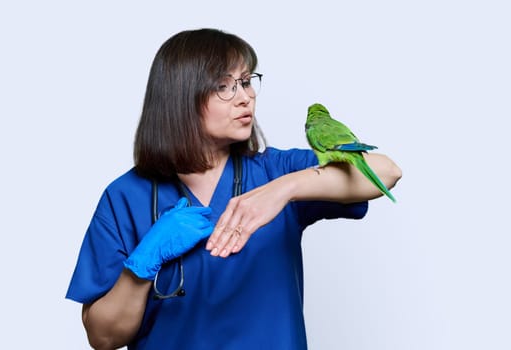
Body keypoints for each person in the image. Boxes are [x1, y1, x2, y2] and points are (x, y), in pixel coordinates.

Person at [66, 28, 402, 350]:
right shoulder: (126, 197)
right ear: (181, 97)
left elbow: (387, 171)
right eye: (225, 86)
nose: (245, 98)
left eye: (246, 82)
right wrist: (142, 264)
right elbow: (103, 337)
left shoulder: (274, 170)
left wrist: (284, 189)